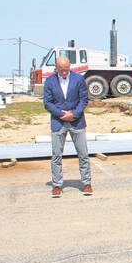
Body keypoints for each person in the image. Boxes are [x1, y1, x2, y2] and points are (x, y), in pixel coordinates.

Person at [43, 55, 92, 198]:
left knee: (83, 154)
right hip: (58, 122)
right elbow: (47, 102)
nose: (64, 72)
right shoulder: (50, 81)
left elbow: (84, 99)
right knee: (56, 155)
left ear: (69, 67)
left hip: (77, 122)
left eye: (66, 70)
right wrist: (61, 114)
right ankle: (57, 185)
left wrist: (74, 114)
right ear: (56, 68)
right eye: (61, 70)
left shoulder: (79, 79)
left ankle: (87, 183)